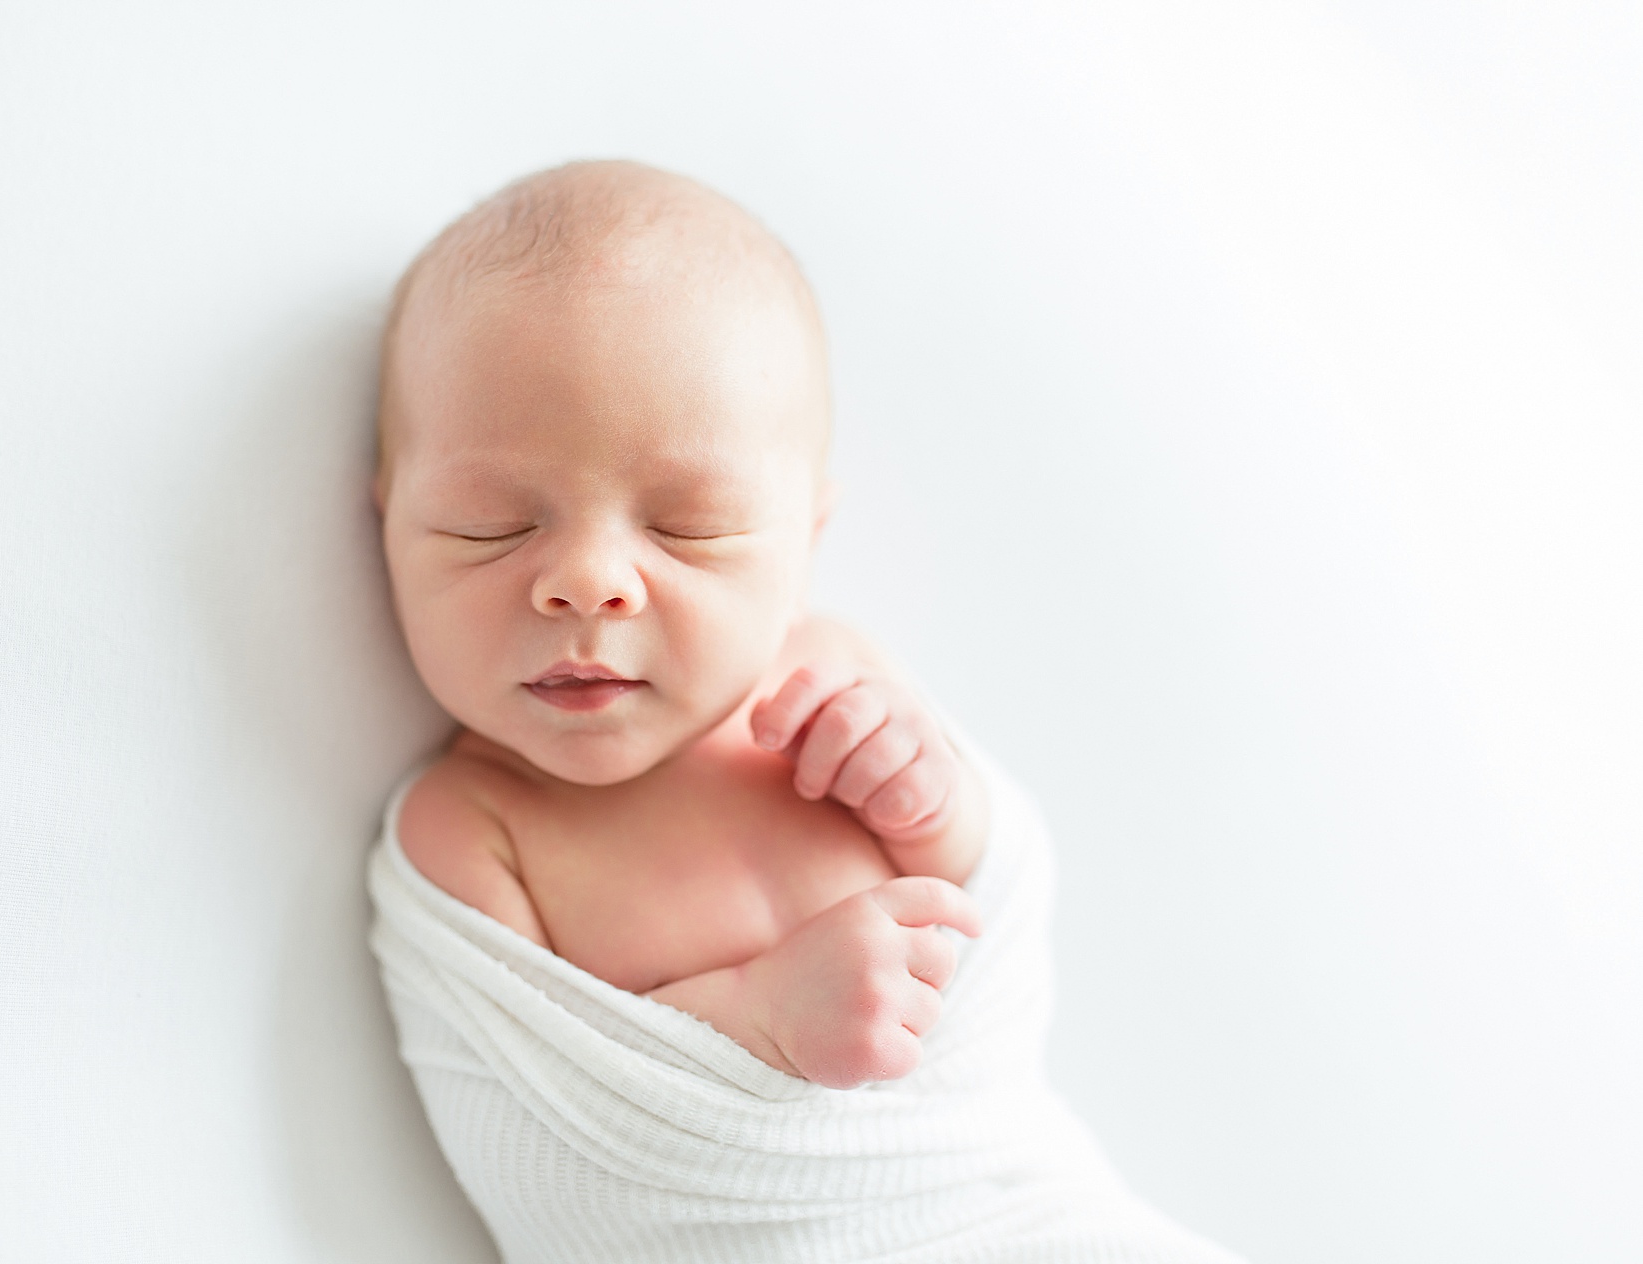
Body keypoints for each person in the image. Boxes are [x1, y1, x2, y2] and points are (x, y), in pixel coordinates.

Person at [368, 159, 1243, 1263]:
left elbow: (985, 893)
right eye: (490, 526)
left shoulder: (829, 678)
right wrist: (755, 1012)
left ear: (803, 542)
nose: (587, 583)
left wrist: (931, 796)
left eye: (687, 526)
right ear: (387, 518)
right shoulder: (466, 826)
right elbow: (560, 1155)